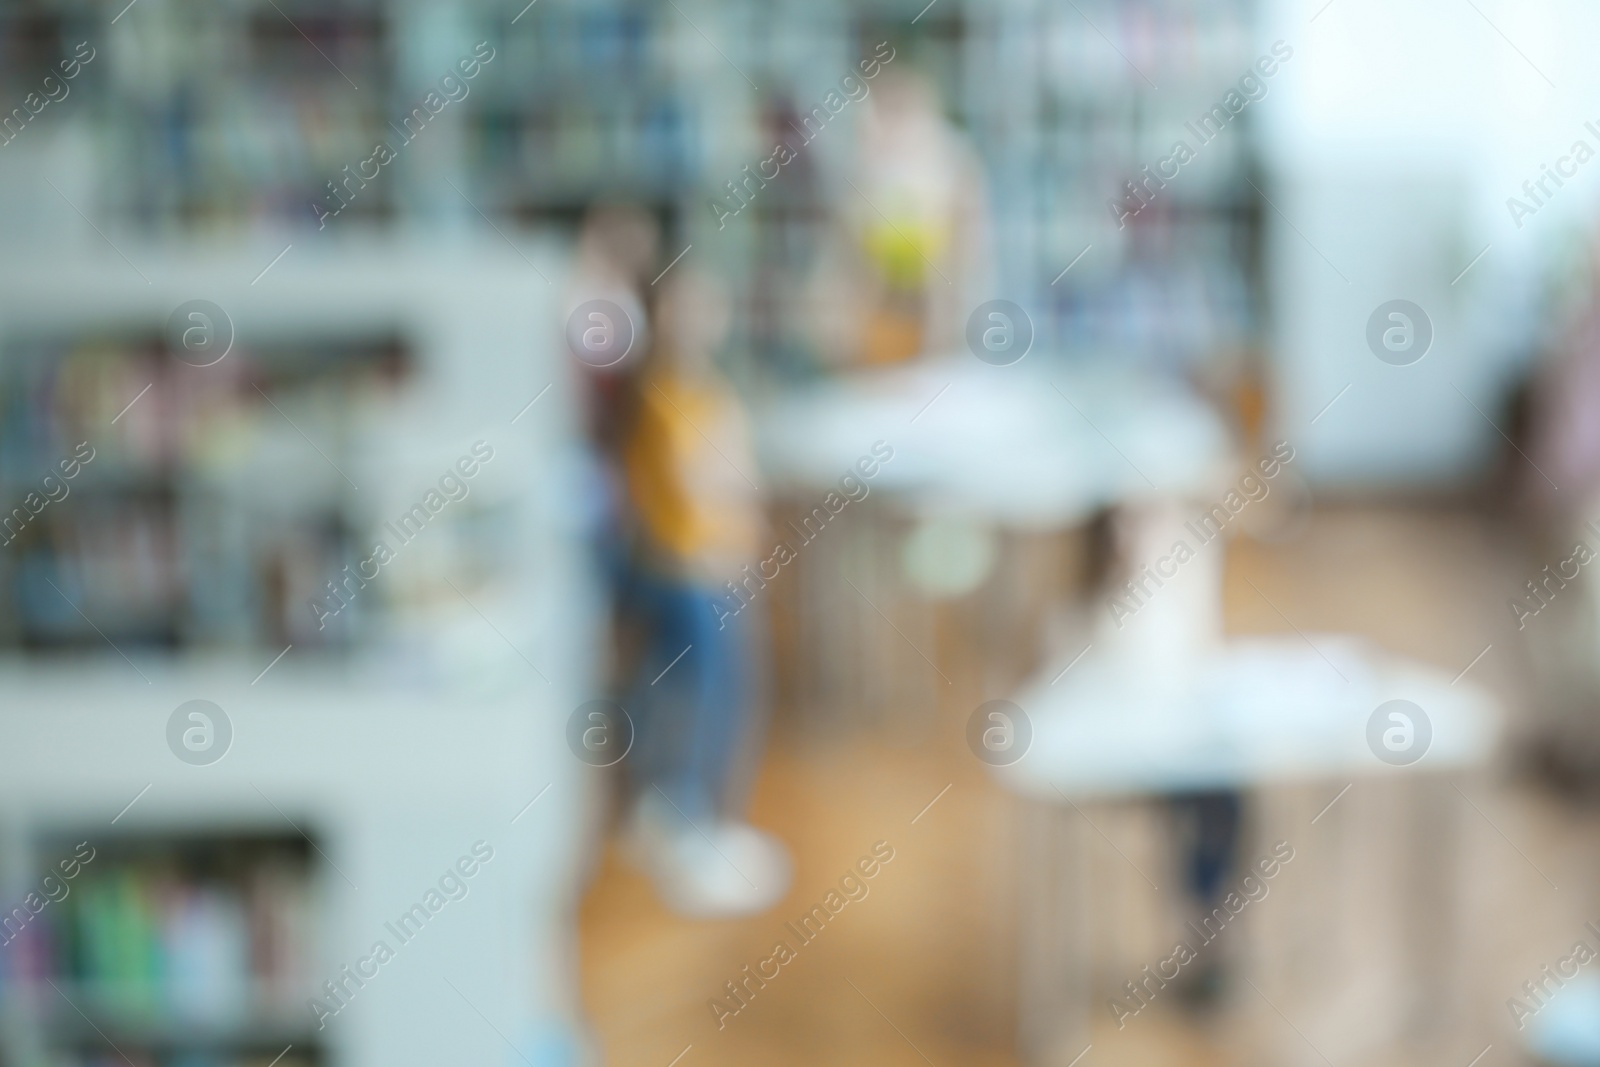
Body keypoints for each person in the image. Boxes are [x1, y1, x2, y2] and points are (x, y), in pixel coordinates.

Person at [615, 266, 792, 917]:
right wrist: (731, 487)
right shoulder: (660, 396)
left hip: (723, 565)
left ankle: (704, 818)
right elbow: (697, 487)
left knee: (734, 695)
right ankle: (686, 826)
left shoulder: (709, 391)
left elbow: (735, 474)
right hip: (688, 571)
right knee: (705, 696)